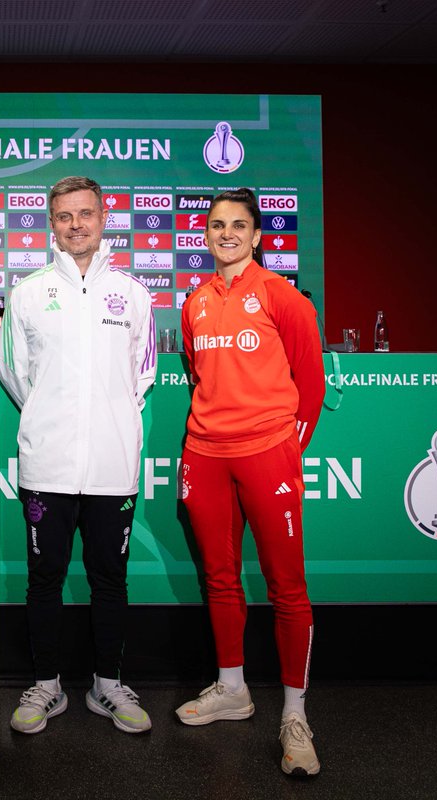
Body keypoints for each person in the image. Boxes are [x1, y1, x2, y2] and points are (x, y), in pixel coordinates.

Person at [0, 176, 157, 735]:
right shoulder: (28, 291)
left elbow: (143, 375)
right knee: (44, 578)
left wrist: (108, 422)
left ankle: (107, 686)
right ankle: (47, 685)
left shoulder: (134, 294)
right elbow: (14, 375)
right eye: (64, 216)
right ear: (51, 224)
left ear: (103, 216)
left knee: (109, 578)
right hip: (48, 463)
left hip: (113, 467)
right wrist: (49, 415)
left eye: (85, 213)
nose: (76, 225)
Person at [175, 188, 325, 777]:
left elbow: (309, 387)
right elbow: (197, 370)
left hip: (267, 453)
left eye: (239, 225)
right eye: (216, 225)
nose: (227, 234)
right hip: (205, 453)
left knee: (287, 586)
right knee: (218, 576)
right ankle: (232, 688)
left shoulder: (282, 297)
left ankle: (295, 713)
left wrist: (283, 448)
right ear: (205, 235)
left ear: (258, 235)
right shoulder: (195, 302)